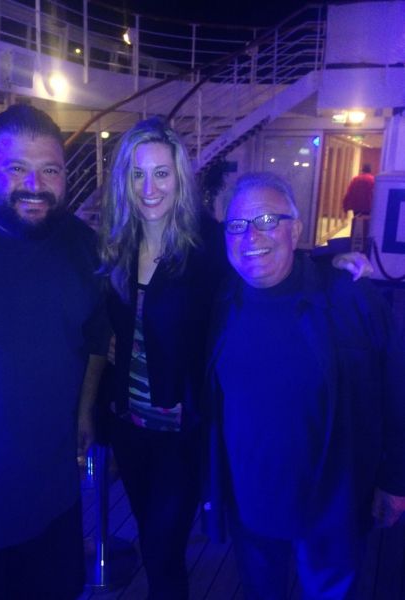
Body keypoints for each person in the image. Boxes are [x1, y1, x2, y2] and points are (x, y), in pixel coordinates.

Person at [85, 116, 375, 600]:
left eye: (161, 173)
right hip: (129, 425)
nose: (150, 188)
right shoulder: (118, 242)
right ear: (124, 182)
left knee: (161, 549)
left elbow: (262, 253)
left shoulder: (206, 244)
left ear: (180, 177)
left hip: (182, 430)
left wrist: (328, 262)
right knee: (150, 537)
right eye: (137, 175)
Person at [204, 171, 405, 600]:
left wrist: (395, 479)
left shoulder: (349, 297)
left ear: (295, 230)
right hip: (250, 504)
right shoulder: (222, 299)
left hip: (331, 505)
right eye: (237, 225)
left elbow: (397, 386)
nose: (251, 236)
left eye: (267, 220)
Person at [0, 104, 110, 600]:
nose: (35, 185)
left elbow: (95, 338)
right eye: (17, 168)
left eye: (50, 170)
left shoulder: (84, 246)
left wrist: (84, 411)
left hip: (53, 500)